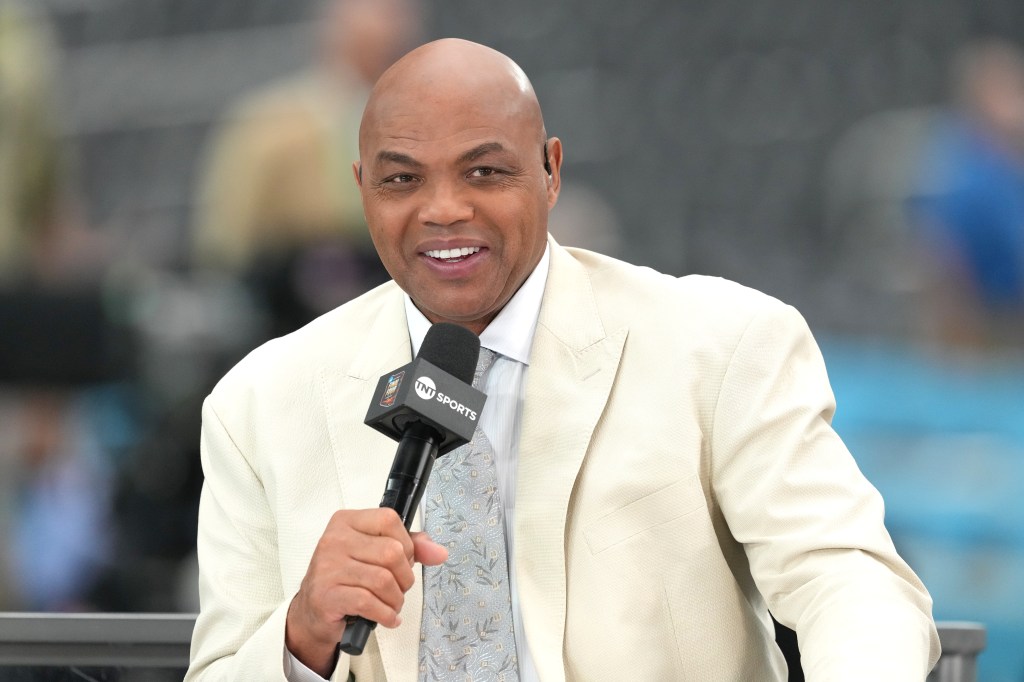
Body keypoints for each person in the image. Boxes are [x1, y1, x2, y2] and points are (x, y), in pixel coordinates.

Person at [186, 39, 941, 681]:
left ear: (550, 172)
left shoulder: (718, 344)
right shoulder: (257, 403)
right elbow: (220, 666)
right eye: (402, 179)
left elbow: (848, 580)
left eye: (484, 172)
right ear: (362, 190)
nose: (444, 208)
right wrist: (301, 634)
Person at [192, 0, 422, 337]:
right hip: (295, 306)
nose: (389, 28)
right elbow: (227, 242)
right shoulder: (269, 127)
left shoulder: (429, 121)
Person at [911, 39, 1024, 348]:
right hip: (991, 328)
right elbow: (943, 258)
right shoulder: (960, 173)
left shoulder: (1008, 166)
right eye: (1006, 92)